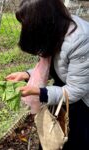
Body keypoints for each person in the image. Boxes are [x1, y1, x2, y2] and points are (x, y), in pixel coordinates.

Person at [6, 0, 89, 149]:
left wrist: (39, 92)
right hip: (65, 89)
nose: (24, 28)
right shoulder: (55, 29)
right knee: (53, 135)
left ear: (42, 20)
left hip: (83, 100)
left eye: (26, 23)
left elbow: (76, 90)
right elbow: (56, 67)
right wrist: (25, 74)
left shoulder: (81, 40)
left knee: (73, 139)